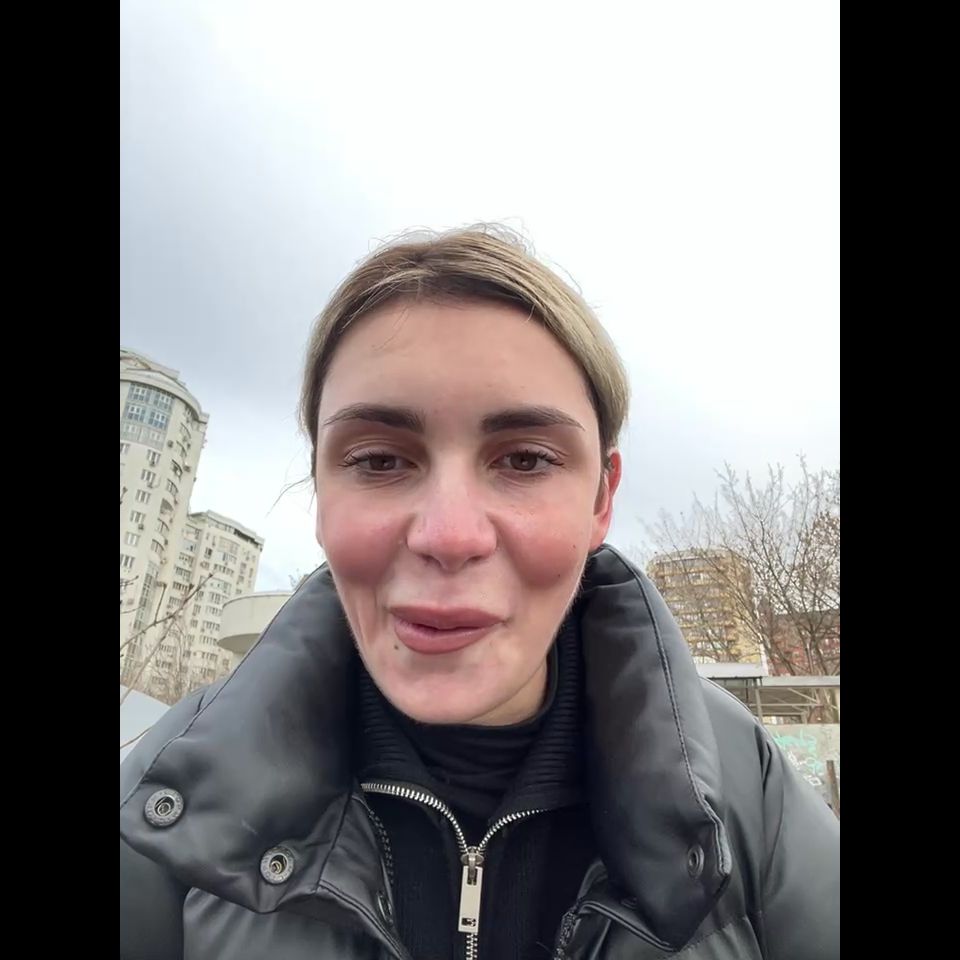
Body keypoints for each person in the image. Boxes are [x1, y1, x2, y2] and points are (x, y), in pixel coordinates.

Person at [121, 226, 839, 959]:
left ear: (600, 500)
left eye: (525, 460)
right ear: (320, 493)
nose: (449, 535)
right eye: (378, 460)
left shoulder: (747, 792)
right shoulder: (168, 797)